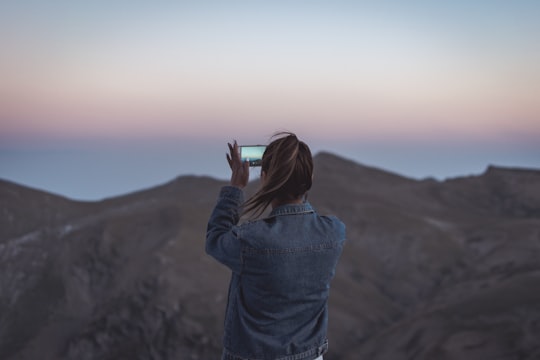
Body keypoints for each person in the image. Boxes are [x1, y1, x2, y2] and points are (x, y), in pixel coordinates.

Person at [206, 132, 346, 360]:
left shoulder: (251, 240)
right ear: (309, 177)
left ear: (264, 178)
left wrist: (236, 188)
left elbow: (215, 238)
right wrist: (295, 177)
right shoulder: (334, 232)